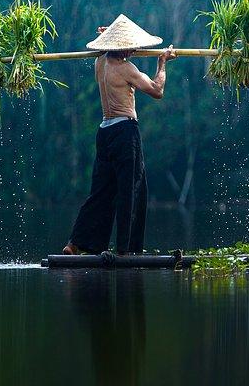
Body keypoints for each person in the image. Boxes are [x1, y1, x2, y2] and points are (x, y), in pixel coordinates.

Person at [63, 15, 178, 255]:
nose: (135, 49)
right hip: (125, 132)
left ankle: (76, 243)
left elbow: (104, 49)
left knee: (100, 192)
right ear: (122, 47)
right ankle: (126, 250)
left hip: (104, 132)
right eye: (131, 45)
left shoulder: (101, 63)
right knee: (132, 189)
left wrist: (105, 38)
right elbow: (157, 91)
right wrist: (162, 63)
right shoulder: (125, 68)